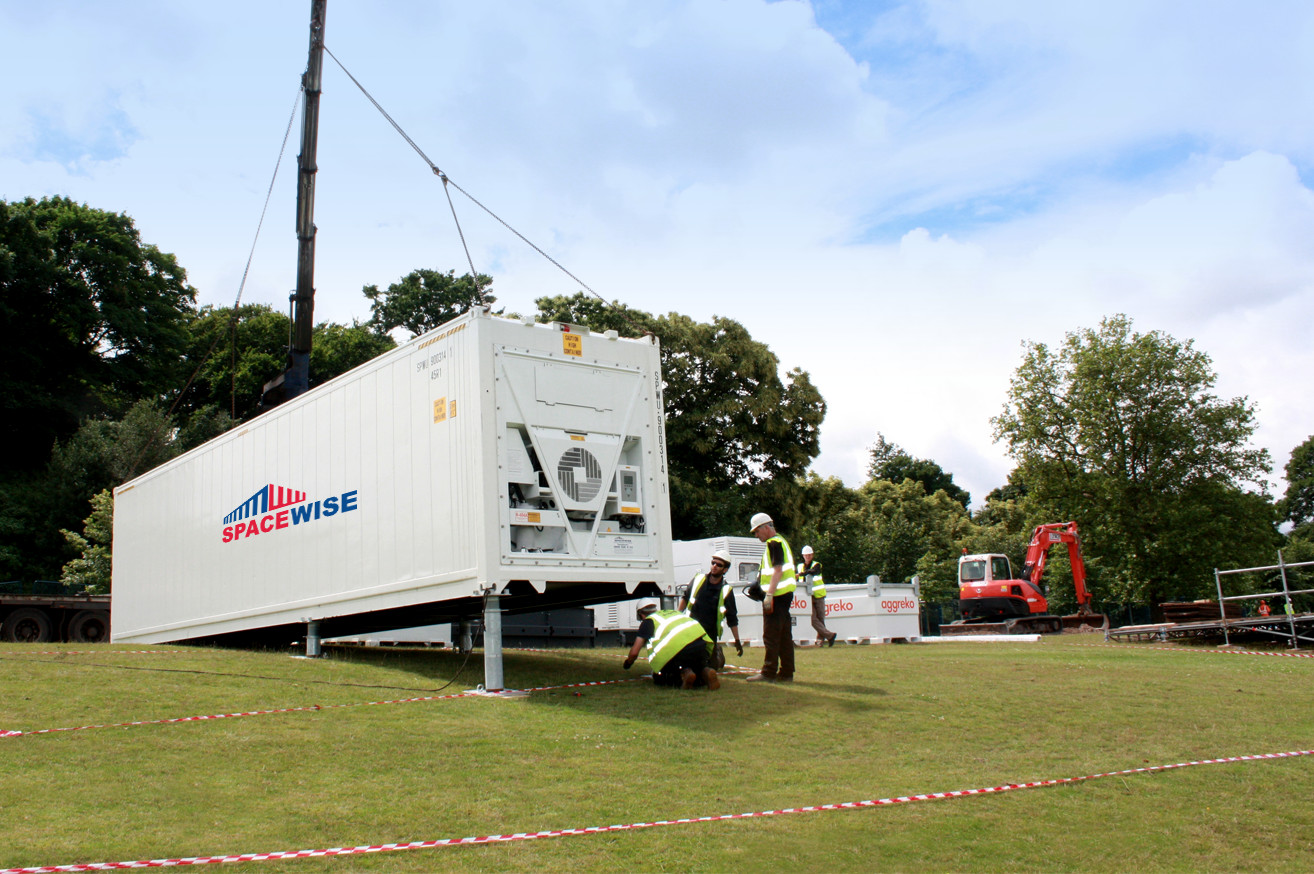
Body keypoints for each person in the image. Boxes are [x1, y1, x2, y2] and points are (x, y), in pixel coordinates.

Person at [746, 512, 796, 682]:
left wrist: (768, 595)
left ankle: (768, 673)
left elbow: (778, 571)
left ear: (766, 527)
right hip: (784, 595)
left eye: (757, 531)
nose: (756, 535)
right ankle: (786, 673)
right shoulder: (781, 541)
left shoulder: (773, 543)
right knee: (784, 636)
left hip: (776, 597)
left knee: (771, 636)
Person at [623, 603, 720, 690]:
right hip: (701, 646)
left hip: (679, 653)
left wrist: (627, 663)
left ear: (641, 615)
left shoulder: (648, 621)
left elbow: (634, 653)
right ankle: (705, 671)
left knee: (660, 677)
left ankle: (685, 674)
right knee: (697, 665)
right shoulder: (673, 613)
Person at [678, 552, 744, 669]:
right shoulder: (698, 580)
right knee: (688, 663)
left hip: (709, 634)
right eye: (713, 563)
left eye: (719, 565)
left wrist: (737, 640)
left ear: (725, 570)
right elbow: (685, 598)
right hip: (691, 629)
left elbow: (732, 618)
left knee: (711, 667)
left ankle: (717, 653)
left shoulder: (726, 590)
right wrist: (677, 617)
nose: (714, 566)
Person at [798, 545, 837, 646]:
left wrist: (801, 574)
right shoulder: (799, 567)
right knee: (813, 619)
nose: (807, 557)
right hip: (807, 596)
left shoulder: (817, 565)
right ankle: (830, 636)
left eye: (809, 555)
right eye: (806, 555)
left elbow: (813, 572)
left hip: (819, 595)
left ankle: (820, 641)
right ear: (803, 556)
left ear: (812, 555)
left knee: (820, 619)